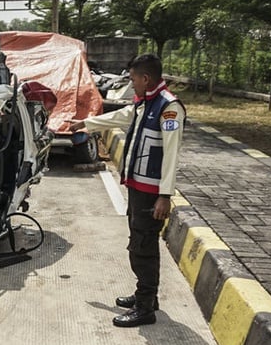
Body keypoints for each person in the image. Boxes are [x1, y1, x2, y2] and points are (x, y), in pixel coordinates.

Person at [67, 54, 185, 327]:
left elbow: (171, 155)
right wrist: (85, 123)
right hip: (136, 185)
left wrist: (164, 196)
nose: (131, 84)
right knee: (138, 241)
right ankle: (146, 294)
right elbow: (121, 117)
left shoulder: (169, 108)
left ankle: (145, 308)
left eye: (133, 79)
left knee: (143, 247)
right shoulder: (145, 103)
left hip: (151, 190)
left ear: (145, 78)